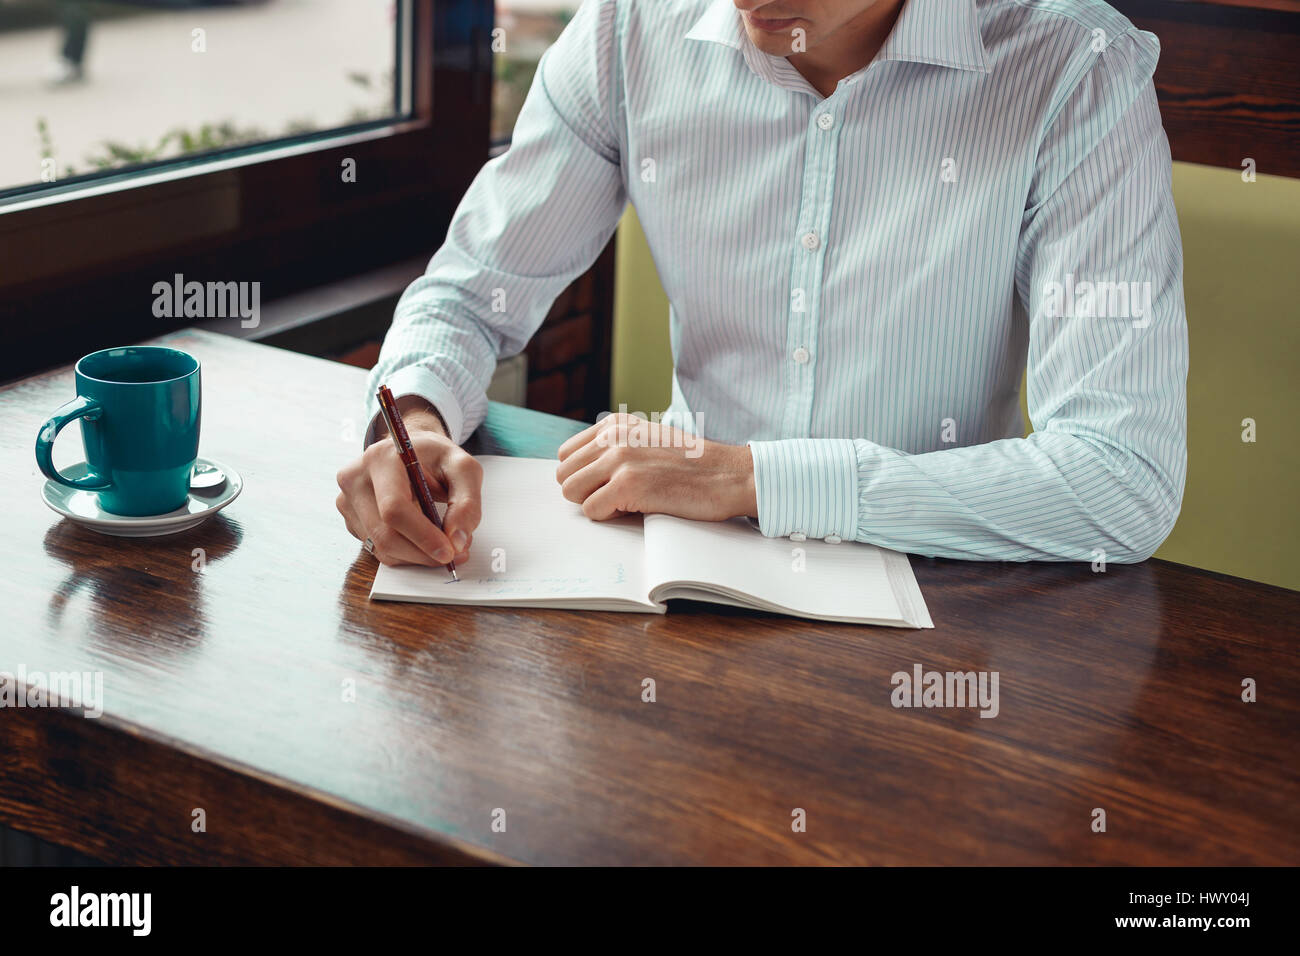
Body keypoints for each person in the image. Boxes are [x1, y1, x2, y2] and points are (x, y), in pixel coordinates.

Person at [336, 0, 1188, 572]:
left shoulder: (1075, 69)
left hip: (944, 595)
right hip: (671, 578)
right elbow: (470, 294)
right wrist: (413, 420)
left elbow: (1121, 480)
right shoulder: (627, 30)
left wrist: (750, 478)